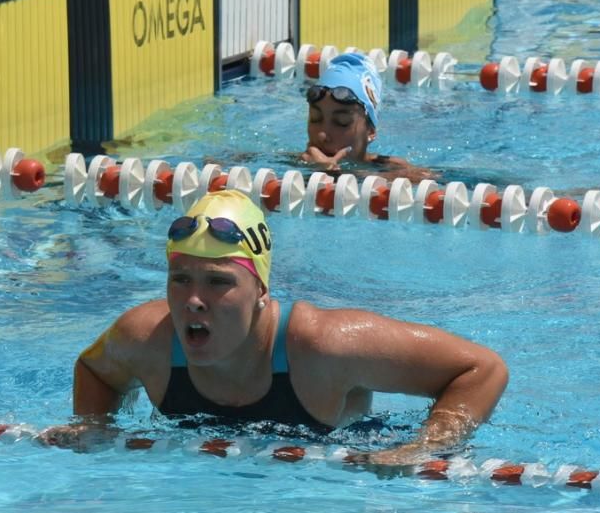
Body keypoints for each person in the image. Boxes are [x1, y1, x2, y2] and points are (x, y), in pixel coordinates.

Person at [42, 190, 508, 465]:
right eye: (180, 279)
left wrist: (426, 447)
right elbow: (96, 371)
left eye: (218, 282)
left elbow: (481, 369)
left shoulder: (322, 346)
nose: (194, 300)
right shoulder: (145, 339)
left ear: (261, 289)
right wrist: (93, 426)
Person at [301, 52, 432, 183]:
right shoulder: (297, 164)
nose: (322, 136)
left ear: (370, 132)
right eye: (315, 118)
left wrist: (333, 172)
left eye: (342, 122)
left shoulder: (394, 170)